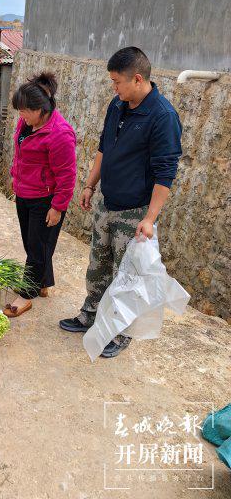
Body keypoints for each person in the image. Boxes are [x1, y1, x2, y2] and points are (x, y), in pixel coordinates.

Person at [60, 47, 182, 358]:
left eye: (117, 82)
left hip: (135, 211)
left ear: (137, 79)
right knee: (98, 264)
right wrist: (90, 184)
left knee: (127, 275)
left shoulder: (163, 117)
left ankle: (120, 330)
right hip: (107, 202)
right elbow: (104, 147)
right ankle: (91, 314)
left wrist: (150, 218)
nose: (114, 88)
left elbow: (165, 172)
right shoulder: (118, 104)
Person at [5, 72, 77, 318]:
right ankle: (42, 282)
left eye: (24, 110)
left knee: (37, 246)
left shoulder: (60, 134)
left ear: (41, 109)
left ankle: (27, 294)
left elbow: (67, 175)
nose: (20, 115)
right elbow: (21, 154)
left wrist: (57, 207)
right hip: (25, 192)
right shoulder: (26, 124)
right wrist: (15, 176)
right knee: (31, 242)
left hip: (45, 199)